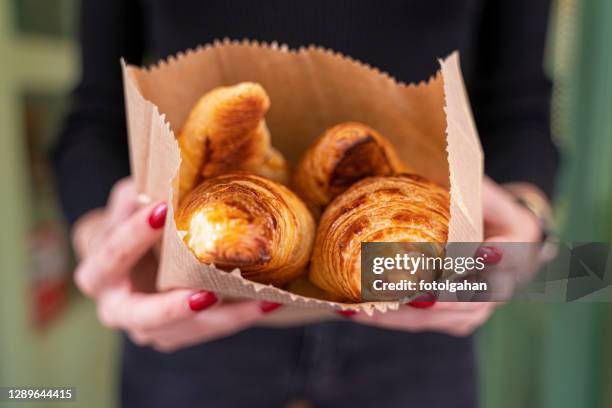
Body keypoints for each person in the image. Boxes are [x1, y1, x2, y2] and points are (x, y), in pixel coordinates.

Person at [53, 1, 557, 407]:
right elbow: (94, 117)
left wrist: (522, 226)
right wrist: (104, 241)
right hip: (189, 330)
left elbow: (521, 111)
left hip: (420, 326)